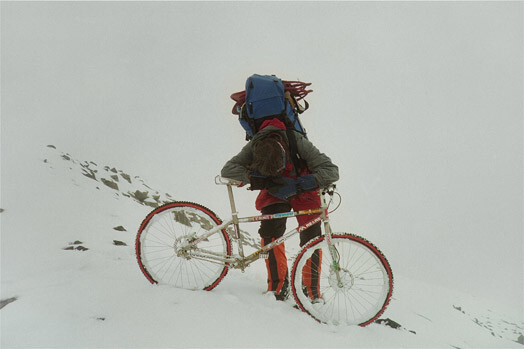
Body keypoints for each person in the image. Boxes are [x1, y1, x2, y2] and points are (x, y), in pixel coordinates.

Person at [221, 118, 339, 301]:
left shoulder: (297, 141)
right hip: (274, 189)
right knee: (270, 234)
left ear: (284, 153)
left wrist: (300, 184)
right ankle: (277, 289)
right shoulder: (255, 145)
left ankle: (310, 292)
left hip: (303, 187)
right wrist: (260, 180)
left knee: (312, 238)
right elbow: (228, 170)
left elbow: (331, 171)